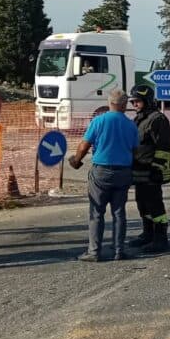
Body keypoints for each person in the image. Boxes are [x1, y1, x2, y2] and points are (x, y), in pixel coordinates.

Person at [68, 89, 138, 261]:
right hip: (123, 171)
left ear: (110, 103)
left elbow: (84, 145)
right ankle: (119, 250)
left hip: (101, 171)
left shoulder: (99, 121)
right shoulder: (131, 125)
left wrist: (76, 160)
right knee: (119, 212)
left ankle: (94, 252)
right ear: (124, 105)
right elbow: (135, 149)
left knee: (96, 212)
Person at [128, 84, 170, 253]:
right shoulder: (139, 118)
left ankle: (161, 239)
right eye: (133, 102)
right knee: (142, 204)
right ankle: (148, 233)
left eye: (137, 101)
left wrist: (156, 168)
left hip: (151, 171)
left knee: (155, 205)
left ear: (147, 100)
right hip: (139, 170)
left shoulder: (157, 119)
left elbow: (163, 147)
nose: (135, 104)